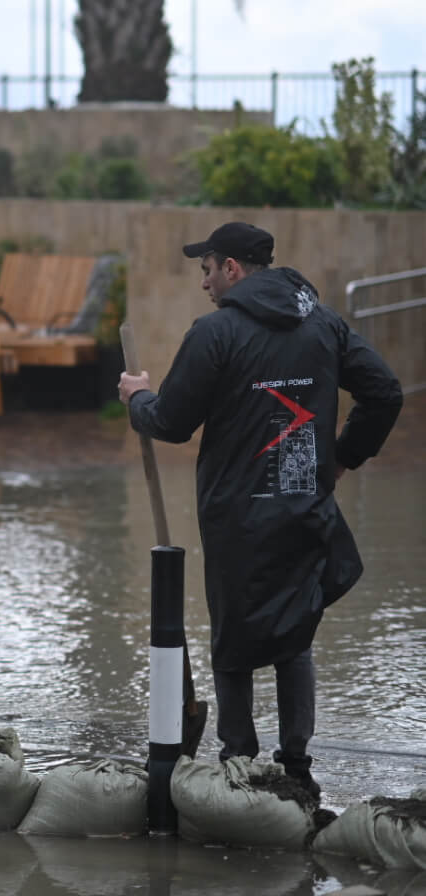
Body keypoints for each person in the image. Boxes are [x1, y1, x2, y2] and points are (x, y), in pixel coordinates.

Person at [117, 222, 402, 798]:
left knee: (234, 643)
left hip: (237, 516)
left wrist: (137, 396)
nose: (204, 282)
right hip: (305, 507)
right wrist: (345, 458)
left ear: (233, 269)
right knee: (295, 637)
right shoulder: (324, 323)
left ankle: (238, 762)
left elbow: (170, 423)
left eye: (208, 269)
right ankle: (296, 766)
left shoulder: (216, 333)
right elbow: (386, 393)